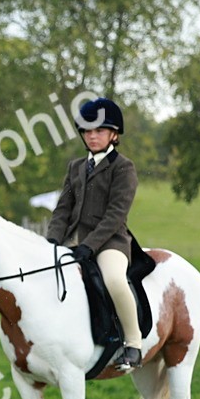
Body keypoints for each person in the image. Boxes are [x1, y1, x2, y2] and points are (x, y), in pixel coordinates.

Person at [46, 97, 142, 372]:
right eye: (87, 131)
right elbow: (63, 208)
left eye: (99, 131)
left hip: (110, 242)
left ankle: (133, 343)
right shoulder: (76, 167)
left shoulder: (123, 167)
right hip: (73, 241)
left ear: (114, 134)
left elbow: (116, 214)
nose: (92, 136)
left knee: (114, 280)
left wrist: (89, 245)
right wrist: (51, 241)